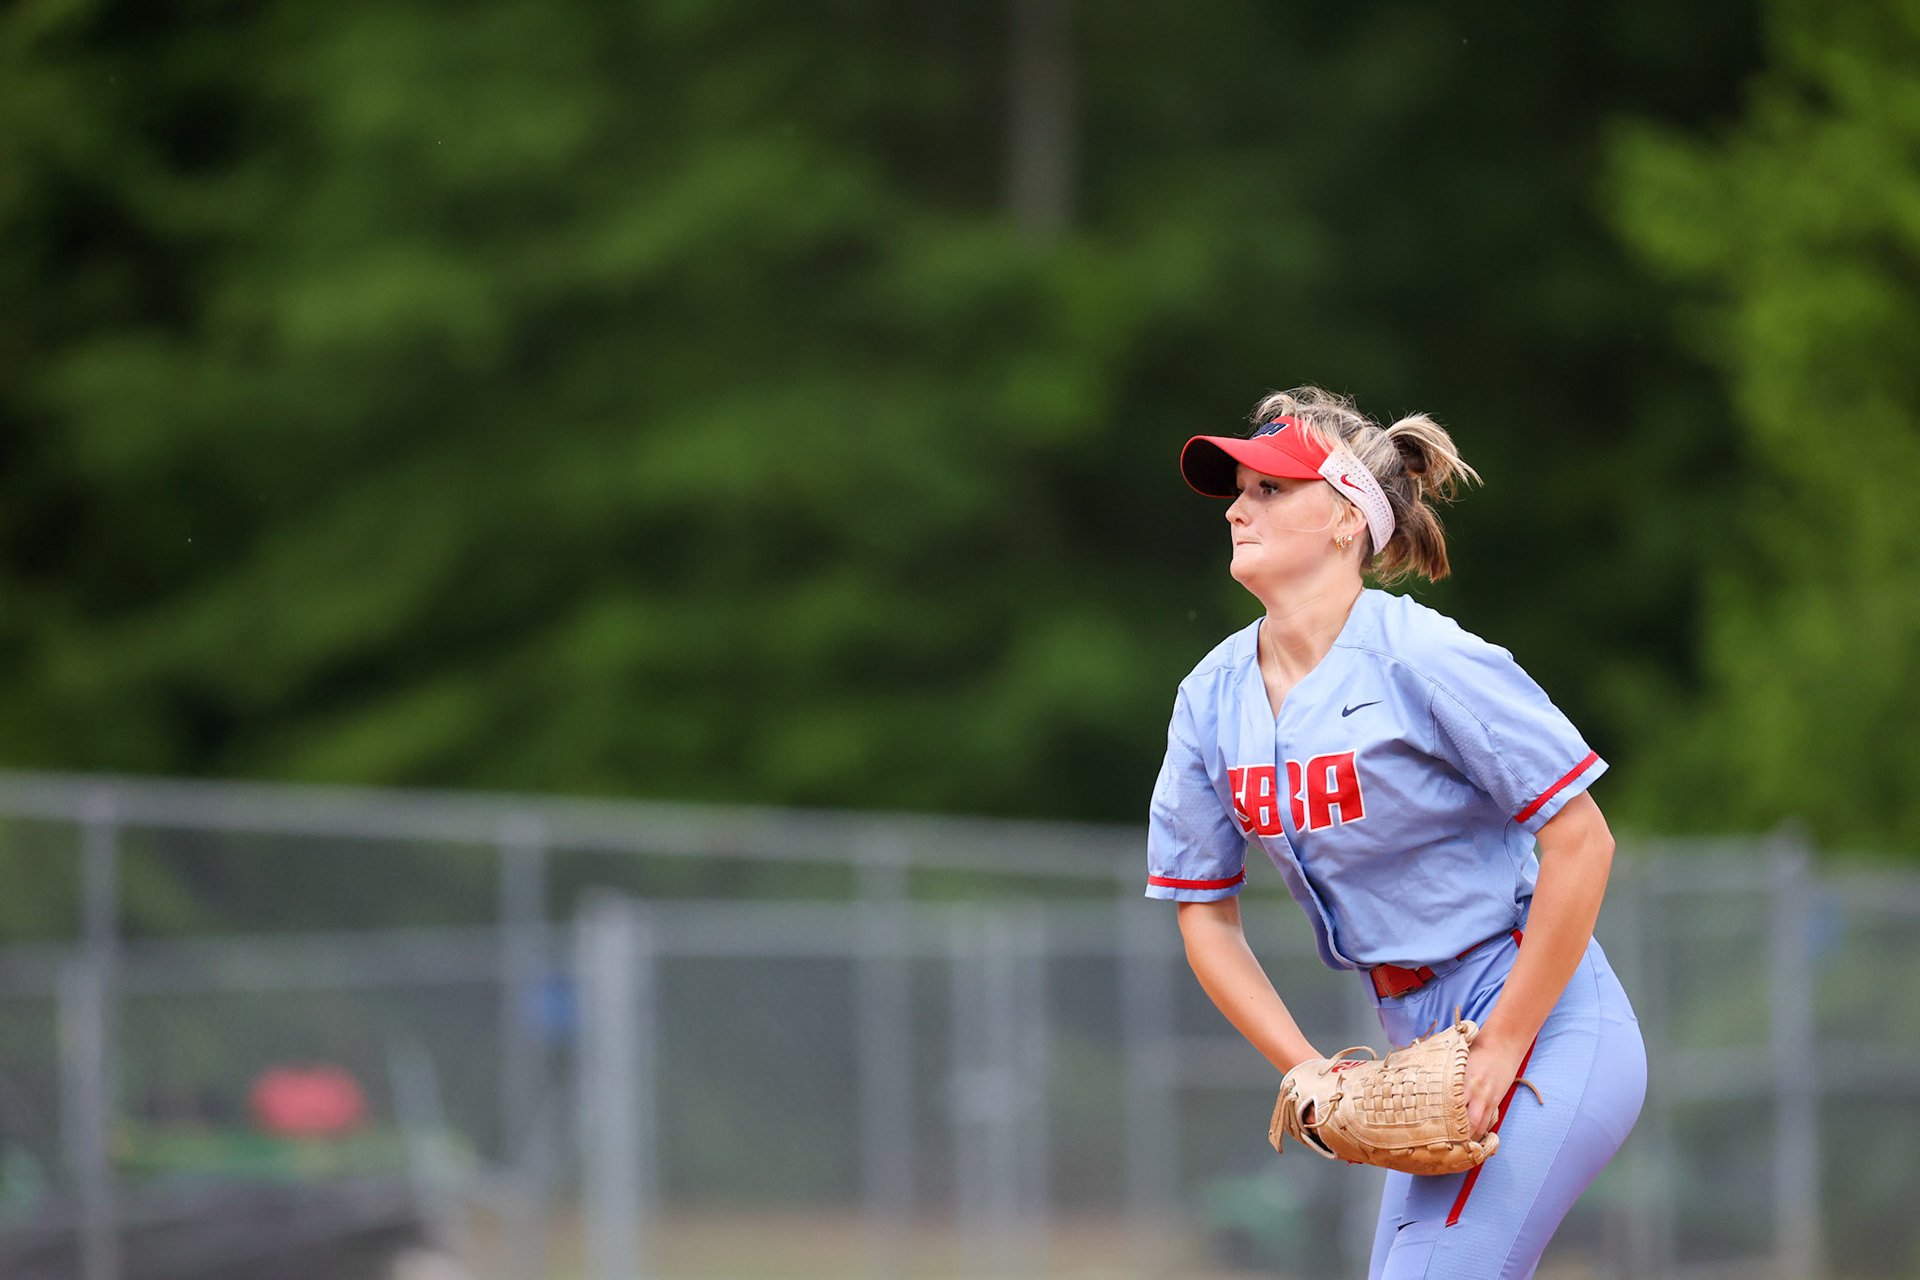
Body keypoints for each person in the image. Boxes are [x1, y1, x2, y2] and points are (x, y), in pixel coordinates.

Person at [1147, 386, 1647, 1279]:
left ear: (1347, 518)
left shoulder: (1423, 657)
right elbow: (1203, 915)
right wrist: (1308, 1070)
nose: (1237, 505)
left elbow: (1583, 842)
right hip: (1413, 1038)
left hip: (1545, 1016)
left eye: (1270, 488)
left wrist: (1502, 1041)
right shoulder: (1209, 698)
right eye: (1239, 488)